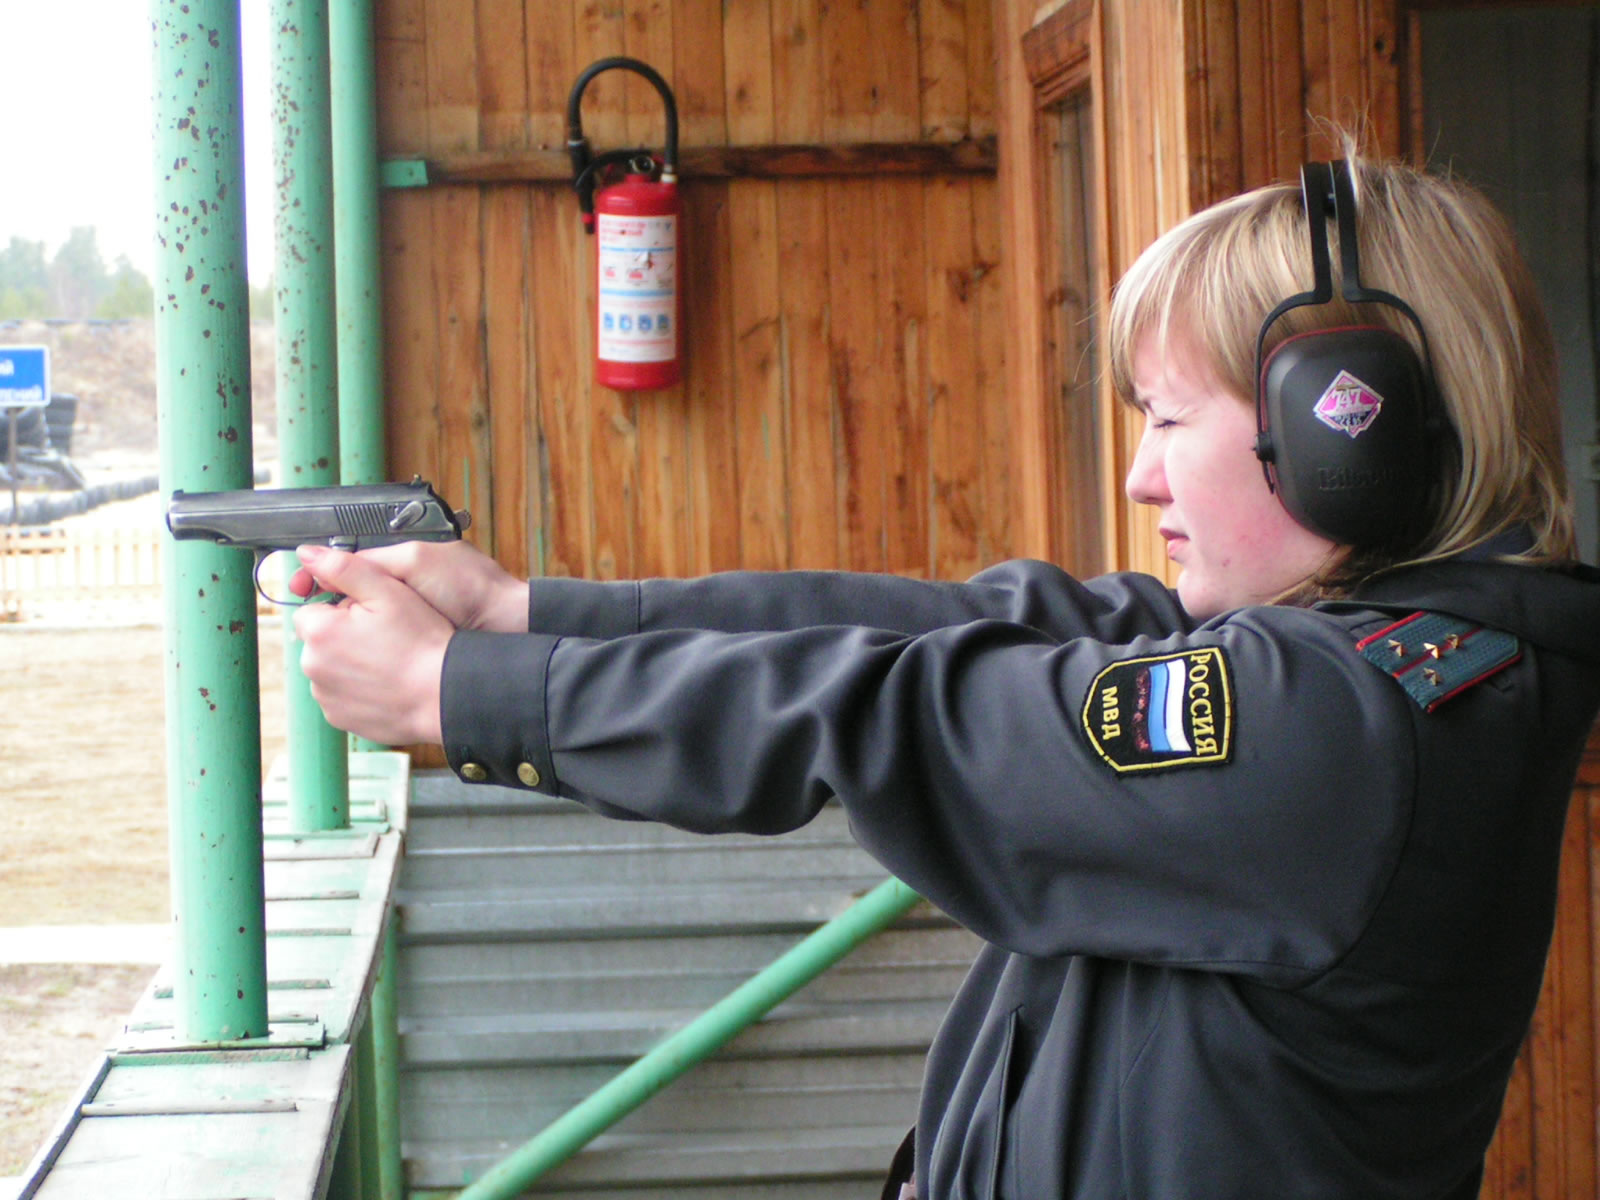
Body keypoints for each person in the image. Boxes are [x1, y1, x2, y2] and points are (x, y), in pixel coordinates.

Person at [292, 151, 1600, 1199]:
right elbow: (944, 629)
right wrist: (522, 616)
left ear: (1340, 430)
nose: (1142, 476)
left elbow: (902, 712)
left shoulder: (1347, 727)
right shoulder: (1333, 664)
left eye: (1167, 418)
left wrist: (466, 695)